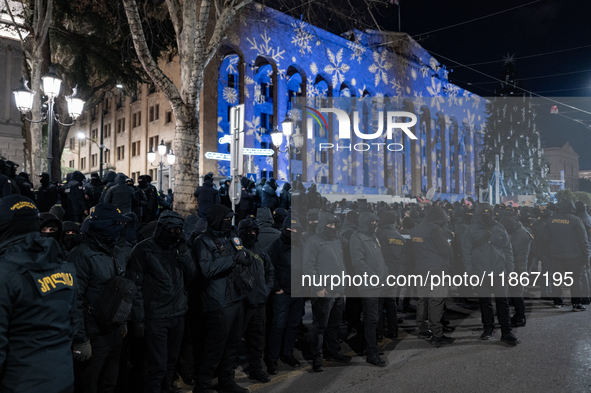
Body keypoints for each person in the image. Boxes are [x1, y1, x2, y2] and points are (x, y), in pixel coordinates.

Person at [0, 195, 77, 393]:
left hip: (20, 383)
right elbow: (72, 322)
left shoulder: (6, 271)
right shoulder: (62, 264)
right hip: (62, 377)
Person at [66, 203, 132, 393]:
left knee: (109, 382)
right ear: (103, 225)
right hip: (92, 336)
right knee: (88, 384)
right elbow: (74, 300)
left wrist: (122, 321)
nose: (121, 227)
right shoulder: (80, 255)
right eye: (117, 223)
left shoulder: (116, 251)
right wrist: (80, 340)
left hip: (113, 331)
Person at [128, 211, 196, 393]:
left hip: (178, 313)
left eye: (178, 230)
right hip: (156, 316)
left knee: (171, 362)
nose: (175, 234)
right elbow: (136, 286)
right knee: (157, 364)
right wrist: (139, 318)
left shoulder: (178, 248)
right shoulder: (143, 250)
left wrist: (183, 252)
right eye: (171, 230)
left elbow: (192, 274)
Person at [191, 204, 250, 393]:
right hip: (218, 301)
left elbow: (242, 251)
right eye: (225, 219)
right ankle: (203, 385)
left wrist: (245, 256)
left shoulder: (232, 236)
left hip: (236, 297)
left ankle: (227, 381)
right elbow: (207, 269)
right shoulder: (203, 241)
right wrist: (233, 259)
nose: (229, 222)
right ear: (216, 219)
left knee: (233, 345)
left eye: (230, 219)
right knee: (214, 347)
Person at [462, 203, 519, 345]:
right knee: (485, 303)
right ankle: (488, 328)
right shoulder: (470, 230)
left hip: (500, 271)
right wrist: (470, 273)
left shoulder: (499, 227)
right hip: (480, 272)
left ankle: (506, 332)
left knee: (502, 302)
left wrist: (510, 270)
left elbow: (508, 249)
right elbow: (466, 252)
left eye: (489, 213)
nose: (487, 215)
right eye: (484, 213)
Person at [302, 212, 351, 372]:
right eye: (329, 225)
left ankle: (333, 352)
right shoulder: (313, 242)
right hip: (324, 291)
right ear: (322, 225)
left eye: (334, 225)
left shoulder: (337, 240)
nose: (332, 228)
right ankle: (317, 357)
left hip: (338, 290)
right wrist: (318, 287)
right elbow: (309, 266)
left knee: (334, 325)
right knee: (319, 326)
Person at [410, 206, 455, 346]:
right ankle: (437, 335)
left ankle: (423, 329)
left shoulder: (417, 228)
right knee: (436, 302)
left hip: (421, 270)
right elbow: (446, 251)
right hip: (436, 271)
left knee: (422, 300)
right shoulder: (435, 229)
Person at [237, 218, 274, 383]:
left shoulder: (260, 250)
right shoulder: (235, 249)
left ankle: (256, 370)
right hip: (241, 304)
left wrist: (266, 290)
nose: (252, 234)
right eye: (249, 232)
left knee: (257, 339)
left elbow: (270, 270)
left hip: (259, 302)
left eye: (254, 231)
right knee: (234, 340)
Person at [267, 214, 305, 373]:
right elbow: (269, 268)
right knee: (278, 327)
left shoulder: (301, 245)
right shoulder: (276, 245)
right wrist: (277, 288)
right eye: (291, 228)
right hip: (283, 294)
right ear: (285, 229)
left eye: (296, 229)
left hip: (298, 293)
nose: (294, 231)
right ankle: (272, 359)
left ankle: (287, 354)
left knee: (292, 326)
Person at [350, 212, 389, 366]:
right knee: (371, 319)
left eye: (375, 221)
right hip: (369, 285)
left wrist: (385, 274)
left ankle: (370, 346)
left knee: (375, 318)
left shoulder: (373, 236)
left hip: (379, 284)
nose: (374, 223)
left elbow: (379, 259)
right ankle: (371, 352)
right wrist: (375, 276)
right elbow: (358, 263)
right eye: (372, 221)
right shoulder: (357, 238)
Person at [547, 198, 589, 311]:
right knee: (576, 279)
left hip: (555, 254)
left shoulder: (551, 220)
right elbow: (583, 240)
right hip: (574, 255)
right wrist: (586, 256)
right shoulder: (576, 220)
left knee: (557, 278)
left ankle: (557, 302)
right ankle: (576, 303)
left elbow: (547, 238)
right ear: (572, 208)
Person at [376, 211, 405, 339]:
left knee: (379, 304)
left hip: (382, 273)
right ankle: (393, 331)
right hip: (395, 273)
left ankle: (380, 331)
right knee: (391, 303)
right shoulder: (400, 237)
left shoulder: (379, 234)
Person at [500, 215, 532, 327]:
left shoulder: (520, 234)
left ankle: (520, 317)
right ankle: (518, 315)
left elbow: (510, 250)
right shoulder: (519, 230)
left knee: (516, 292)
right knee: (515, 292)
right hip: (517, 266)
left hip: (517, 267)